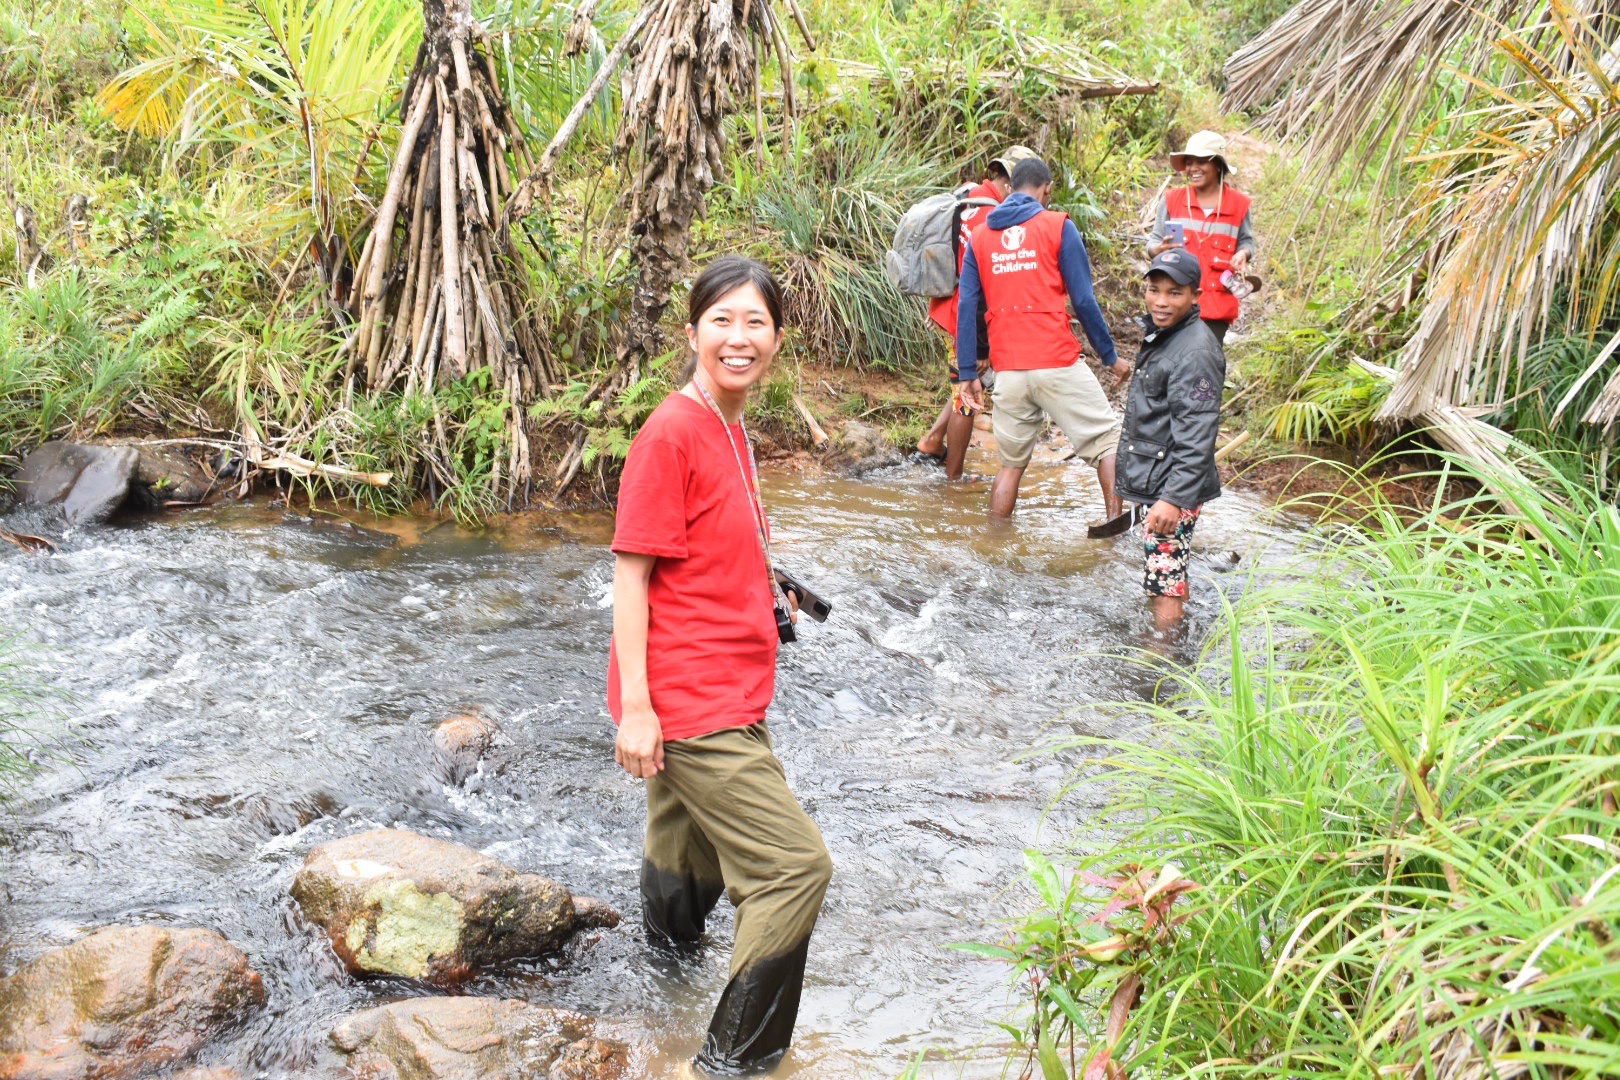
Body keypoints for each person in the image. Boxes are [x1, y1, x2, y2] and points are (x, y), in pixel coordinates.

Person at [608, 255, 833, 1077]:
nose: (739, 339)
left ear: (776, 337)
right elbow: (630, 578)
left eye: (756, 323)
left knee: (686, 846)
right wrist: (639, 708)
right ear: (694, 330)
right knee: (794, 869)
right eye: (722, 321)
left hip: (724, 678)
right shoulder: (670, 432)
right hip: (692, 696)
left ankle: (660, 990)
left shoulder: (728, 421)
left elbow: (698, 552)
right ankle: (732, 1063)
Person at [956, 156, 1131, 525]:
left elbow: (968, 305)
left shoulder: (981, 237)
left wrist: (968, 370)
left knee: (1010, 465)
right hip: (1056, 361)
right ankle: (1115, 529)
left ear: (1009, 188)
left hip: (1009, 372)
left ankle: (993, 542)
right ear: (1047, 189)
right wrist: (1111, 357)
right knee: (1107, 441)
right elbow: (1083, 301)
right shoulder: (1057, 226)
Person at [1118, 248, 1225, 636]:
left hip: (1173, 484)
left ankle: (1160, 666)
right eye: (1154, 290)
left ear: (1195, 295)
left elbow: (1198, 434)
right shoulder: (1170, 335)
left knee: (1163, 583)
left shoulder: (1195, 350)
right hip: (1164, 476)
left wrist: (1172, 499)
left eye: (1174, 293)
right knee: (1169, 571)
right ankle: (1179, 640)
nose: (1161, 302)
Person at [915, 144, 1036, 480]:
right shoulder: (991, 217)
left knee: (966, 381)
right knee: (967, 397)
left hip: (945, 306)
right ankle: (953, 478)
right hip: (962, 318)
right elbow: (979, 288)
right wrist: (980, 346)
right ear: (1011, 183)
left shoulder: (969, 197)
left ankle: (933, 439)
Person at [1145, 130, 1257, 344]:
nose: (1193, 168)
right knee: (1170, 364)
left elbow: (1247, 241)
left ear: (1217, 165)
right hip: (1173, 306)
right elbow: (1153, 241)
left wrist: (1243, 253)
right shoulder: (1172, 200)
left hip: (1216, 306)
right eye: (1189, 162)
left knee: (1204, 364)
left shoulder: (1239, 204)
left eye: (1201, 161)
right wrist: (1157, 250)